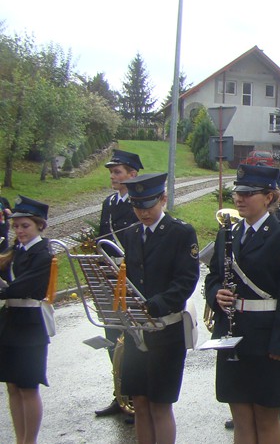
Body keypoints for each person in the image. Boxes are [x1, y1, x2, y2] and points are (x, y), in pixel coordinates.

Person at [206, 164, 280, 443]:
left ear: (269, 197)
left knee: (266, 418)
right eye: (237, 192)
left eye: (248, 193)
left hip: (267, 340)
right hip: (232, 336)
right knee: (240, 417)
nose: (239, 198)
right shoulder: (227, 233)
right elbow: (213, 276)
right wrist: (216, 294)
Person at [117, 172, 200, 444]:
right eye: (137, 206)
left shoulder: (180, 232)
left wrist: (156, 305)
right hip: (137, 331)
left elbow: (186, 280)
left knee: (160, 405)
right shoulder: (131, 233)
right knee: (140, 403)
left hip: (166, 329)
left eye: (149, 205)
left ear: (163, 199)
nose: (143, 212)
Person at [94, 148, 144, 419]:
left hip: (131, 278)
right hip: (110, 277)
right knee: (113, 336)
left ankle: (135, 397)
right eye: (112, 172)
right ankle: (119, 394)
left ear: (132, 174)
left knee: (132, 338)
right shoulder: (110, 202)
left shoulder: (139, 203)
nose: (113, 176)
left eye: (117, 172)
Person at [0, 196, 53, 444]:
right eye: (16, 226)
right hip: (9, 323)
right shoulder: (15, 251)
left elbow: (20, 287)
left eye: (25, 226)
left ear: (39, 225)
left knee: (28, 386)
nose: (20, 231)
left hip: (31, 326)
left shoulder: (43, 254)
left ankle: (28, 440)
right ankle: (19, 438)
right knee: (12, 386)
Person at [0, 188, 12, 254]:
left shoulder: (3, 200)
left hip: (3, 228)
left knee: (3, 247)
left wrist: (8, 211)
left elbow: (10, 213)